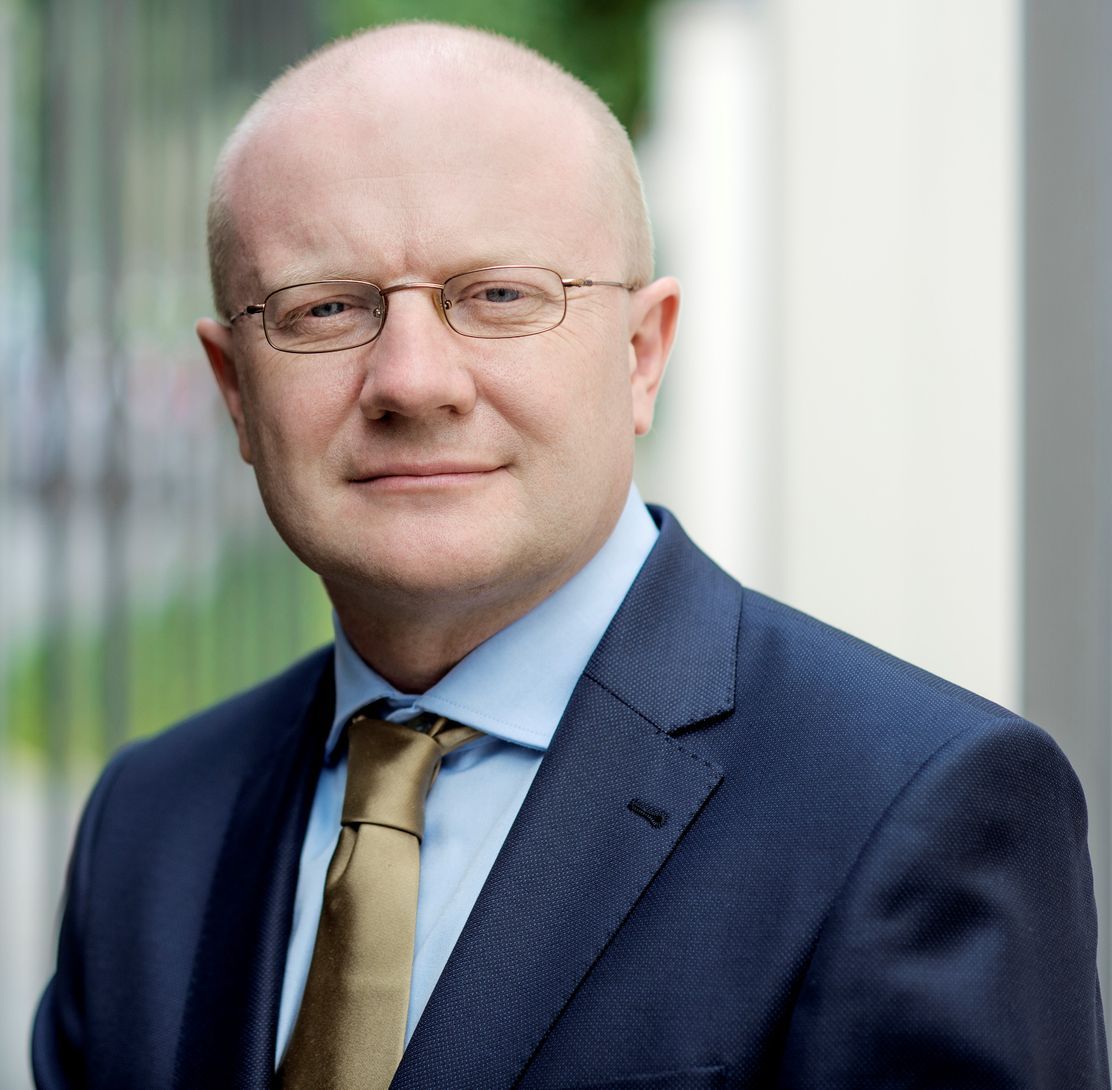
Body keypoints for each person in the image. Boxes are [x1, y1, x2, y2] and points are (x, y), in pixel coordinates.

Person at [32, 21, 1108, 1090]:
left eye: (499, 296)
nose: (412, 381)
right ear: (235, 390)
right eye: (325, 309)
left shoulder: (913, 806)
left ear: (641, 355)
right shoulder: (148, 824)